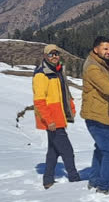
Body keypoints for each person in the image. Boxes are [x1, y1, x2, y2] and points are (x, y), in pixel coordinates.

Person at [80, 36, 109, 194]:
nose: (108, 52)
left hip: (99, 113)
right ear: (96, 49)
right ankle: (103, 186)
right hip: (95, 115)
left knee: (101, 149)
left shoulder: (104, 64)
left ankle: (94, 181)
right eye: (105, 49)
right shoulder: (93, 68)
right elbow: (108, 89)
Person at [33, 44, 81, 189]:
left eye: (56, 54)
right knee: (67, 151)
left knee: (53, 152)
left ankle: (47, 180)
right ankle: (74, 179)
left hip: (58, 118)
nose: (54, 57)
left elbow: (64, 93)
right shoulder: (42, 75)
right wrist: (49, 120)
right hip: (52, 120)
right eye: (51, 54)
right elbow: (39, 101)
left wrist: (71, 108)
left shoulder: (57, 71)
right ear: (45, 56)